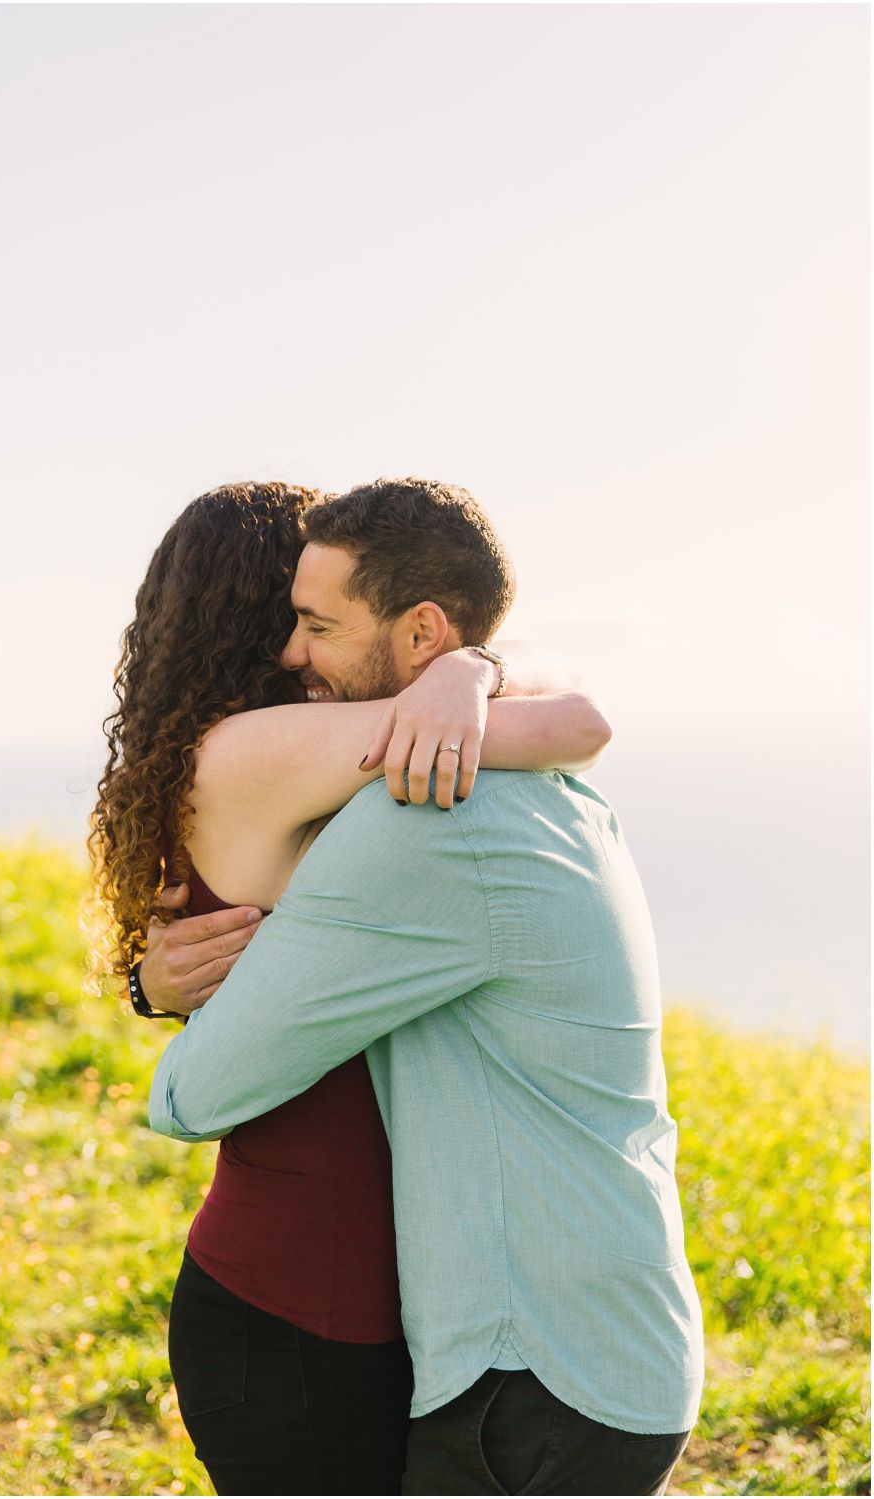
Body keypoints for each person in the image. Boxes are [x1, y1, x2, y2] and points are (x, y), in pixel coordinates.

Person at [143, 477, 703, 1495]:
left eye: (315, 623)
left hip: (506, 1357)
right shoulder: (437, 775)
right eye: (285, 617)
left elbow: (187, 1092)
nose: (291, 651)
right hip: (351, 1302)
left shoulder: (423, 805)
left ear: (418, 629)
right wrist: (464, 680)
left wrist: (467, 677)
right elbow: (574, 721)